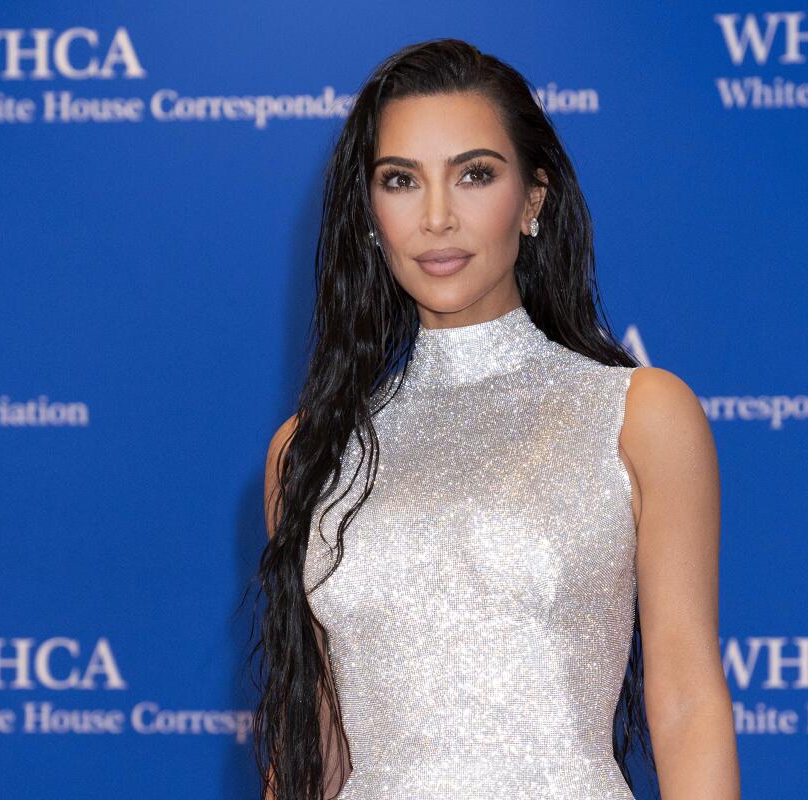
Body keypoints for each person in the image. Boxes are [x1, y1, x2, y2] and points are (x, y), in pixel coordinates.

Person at [249, 38, 738, 799]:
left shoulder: (639, 416)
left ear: (533, 200)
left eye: (474, 174)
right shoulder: (309, 453)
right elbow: (314, 744)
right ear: (370, 215)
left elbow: (683, 704)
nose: (438, 217)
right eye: (402, 180)